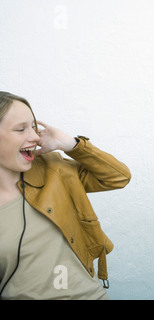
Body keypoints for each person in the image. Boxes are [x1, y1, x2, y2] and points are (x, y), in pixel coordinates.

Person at [0, 91, 131, 300]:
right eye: (21, 129)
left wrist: (71, 144)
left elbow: (118, 177)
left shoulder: (54, 169)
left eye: (33, 126)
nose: (34, 136)